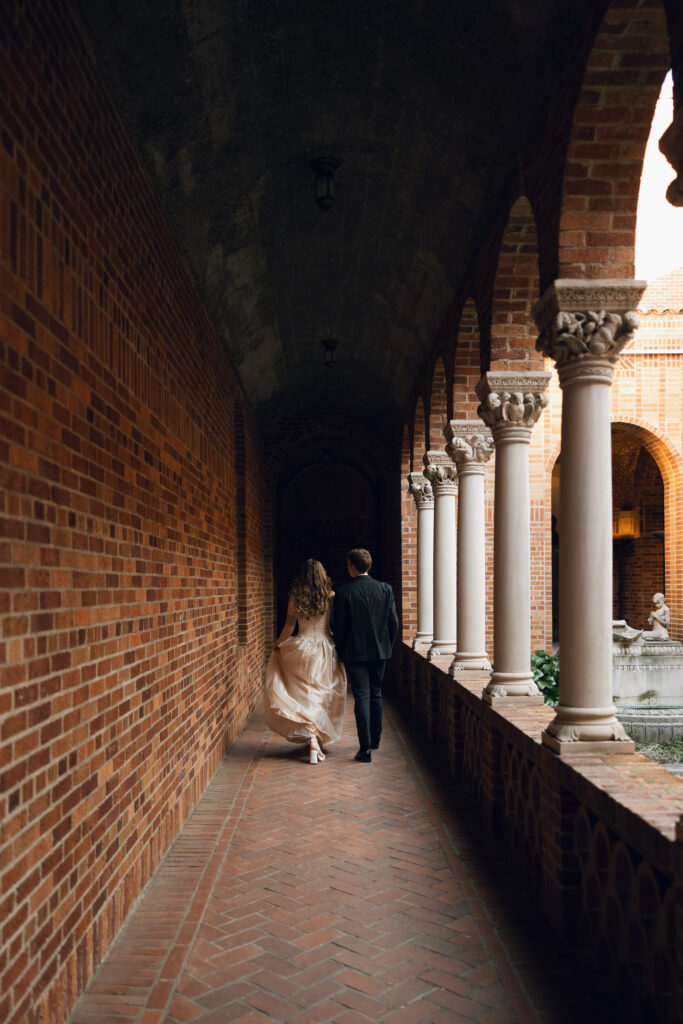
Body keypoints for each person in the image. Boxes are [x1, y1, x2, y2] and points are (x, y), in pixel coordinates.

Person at [264, 558, 347, 764]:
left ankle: (312, 737)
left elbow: (289, 627)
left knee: (303, 694)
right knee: (322, 693)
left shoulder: (295, 597)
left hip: (301, 648)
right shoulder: (331, 596)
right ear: (322, 576)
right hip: (325, 649)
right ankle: (313, 738)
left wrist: (277, 644)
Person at [333, 547, 399, 763]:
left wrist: (341, 651)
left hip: (355, 653)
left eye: (348, 564)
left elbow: (339, 628)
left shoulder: (343, 593)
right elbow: (393, 623)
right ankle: (375, 740)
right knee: (376, 693)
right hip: (380, 651)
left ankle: (365, 749)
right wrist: (387, 645)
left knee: (361, 696)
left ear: (352, 566)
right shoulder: (385, 589)